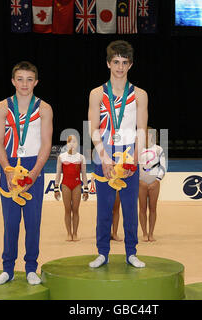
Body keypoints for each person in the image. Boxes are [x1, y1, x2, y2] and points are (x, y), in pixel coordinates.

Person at [88, 40, 148, 268]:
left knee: (130, 207)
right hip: (103, 153)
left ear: (131, 65)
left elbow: (141, 129)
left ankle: (131, 252)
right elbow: (93, 128)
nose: (120, 67)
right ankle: (102, 252)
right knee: (104, 208)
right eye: (116, 62)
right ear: (108, 63)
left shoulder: (140, 94)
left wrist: (134, 158)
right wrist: (103, 157)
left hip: (129, 155)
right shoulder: (96, 94)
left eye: (124, 63)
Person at [0, 61, 53, 285]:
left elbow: (46, 144)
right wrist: (8, 170)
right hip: (8, 166)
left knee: (33, 222)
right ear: (12, 81)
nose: (24, 84)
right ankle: (7, 268)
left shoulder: (44, 108)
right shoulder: (2, 107)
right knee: (10, 222)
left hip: (33, 166)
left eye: (29, 79)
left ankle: (30, 268)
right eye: (20, 79)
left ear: (36, 81)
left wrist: (35, 173)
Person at [54, 135, 89, 241]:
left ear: (77, 144)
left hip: (77, 185)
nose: (72, 144)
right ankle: (69, 233)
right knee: (67, 209)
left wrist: (86, 189)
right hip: (65, 185)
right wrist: (56, 188)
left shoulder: (81, 157)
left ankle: (75, 233)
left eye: (74, 142)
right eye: (70, 142)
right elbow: (58, 174)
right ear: (67, 143)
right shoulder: (61, 157)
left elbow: (84, 174)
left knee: (76, 210)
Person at [139, 127, 166, 242]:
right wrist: (139, 180)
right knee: (142, 208)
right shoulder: (138, 149)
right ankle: (144, 233)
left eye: (148, 134)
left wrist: (157, 180)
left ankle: (151, 233)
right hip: (141, 182)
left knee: (153, 208)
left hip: (154, 181)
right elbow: (134, 166)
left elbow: (163, 167)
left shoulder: (159, 149)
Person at [91, 175, 122, 241]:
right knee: (104, 208)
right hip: (104, 180)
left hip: (116, 180)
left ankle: (114, 233)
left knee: (116, 209)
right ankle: (103, 232)